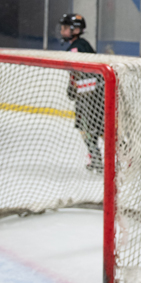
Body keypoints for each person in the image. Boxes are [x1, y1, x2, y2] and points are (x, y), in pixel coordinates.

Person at [59, 14, 105, 173]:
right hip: (96, 93)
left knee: (88, 127)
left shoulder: (76, 47)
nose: (61, 31)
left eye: (65, 28)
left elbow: (77, 73)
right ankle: (124, 156)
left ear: (76, 30)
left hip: (88, 95)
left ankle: (97, 160)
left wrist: (72, 89)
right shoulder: (82, 44)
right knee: (101, 128)